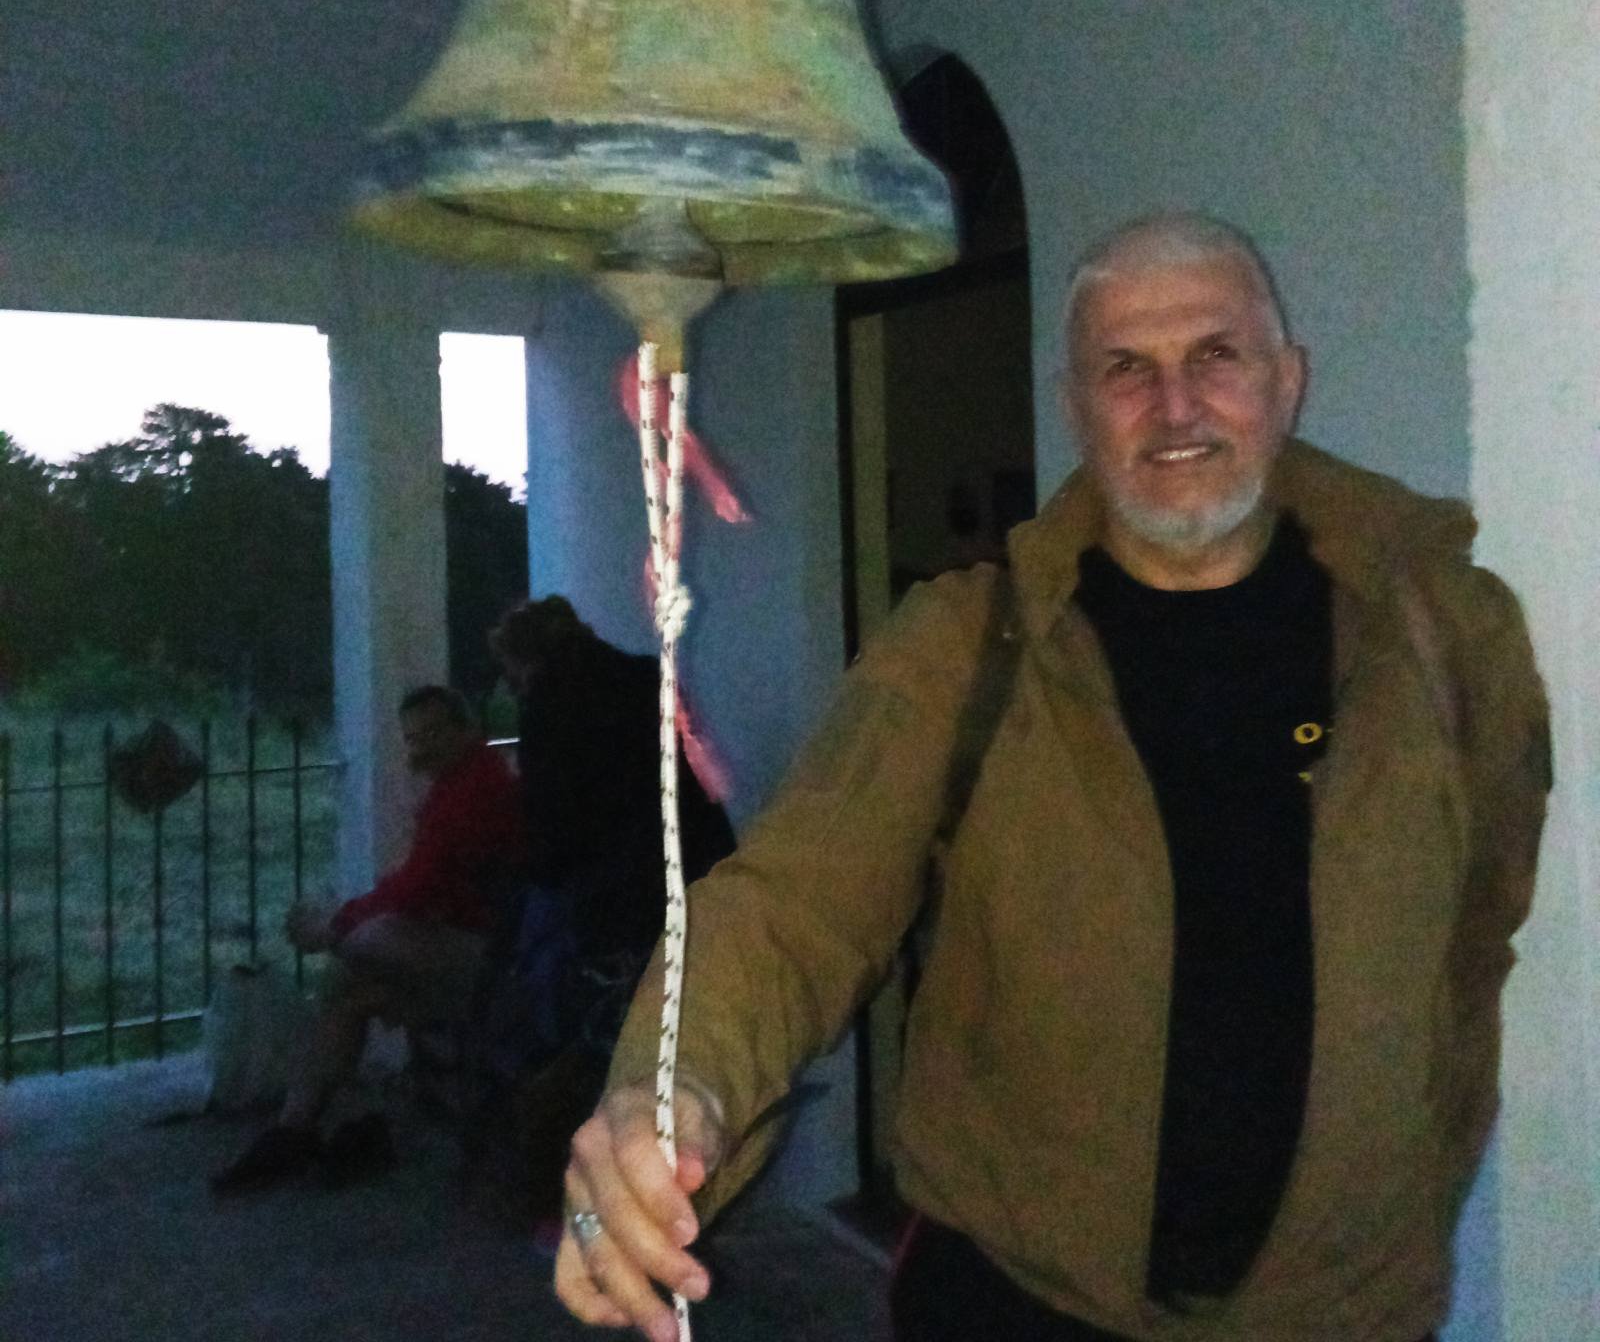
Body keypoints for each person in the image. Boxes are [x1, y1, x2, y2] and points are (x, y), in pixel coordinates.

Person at [552, 212, 1551, 1342]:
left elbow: (1479, 933)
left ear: (1287, 381)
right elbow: (797, 903)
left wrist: (1405, 1196)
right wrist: (675, 1091)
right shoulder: (970, 644)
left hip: (1345, 1316)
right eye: (1126, 368)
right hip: (1016, 1302)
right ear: (1075, 406)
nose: (1174, 406)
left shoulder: (1446, 634)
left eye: (1215, 355)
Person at [211, 684, 526, 1193]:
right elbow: (418, 887)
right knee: (347, 987)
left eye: (433, 733)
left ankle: (303, 1129)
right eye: (413, 738)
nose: (420, 748)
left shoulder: (477, 790)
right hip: (464, 947)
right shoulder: (456, 786)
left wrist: (334, 925)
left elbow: (418, 888)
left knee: (368, 941)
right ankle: (297, 1128)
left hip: (497, 960)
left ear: (466, 731)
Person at [485, 597, 736, 1219]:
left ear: (523, 660)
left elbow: (551, 830)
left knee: (581, 1047)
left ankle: (551, 1191)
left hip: (611, 902)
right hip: (689, 879)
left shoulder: (550, 704)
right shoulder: (647, 677)